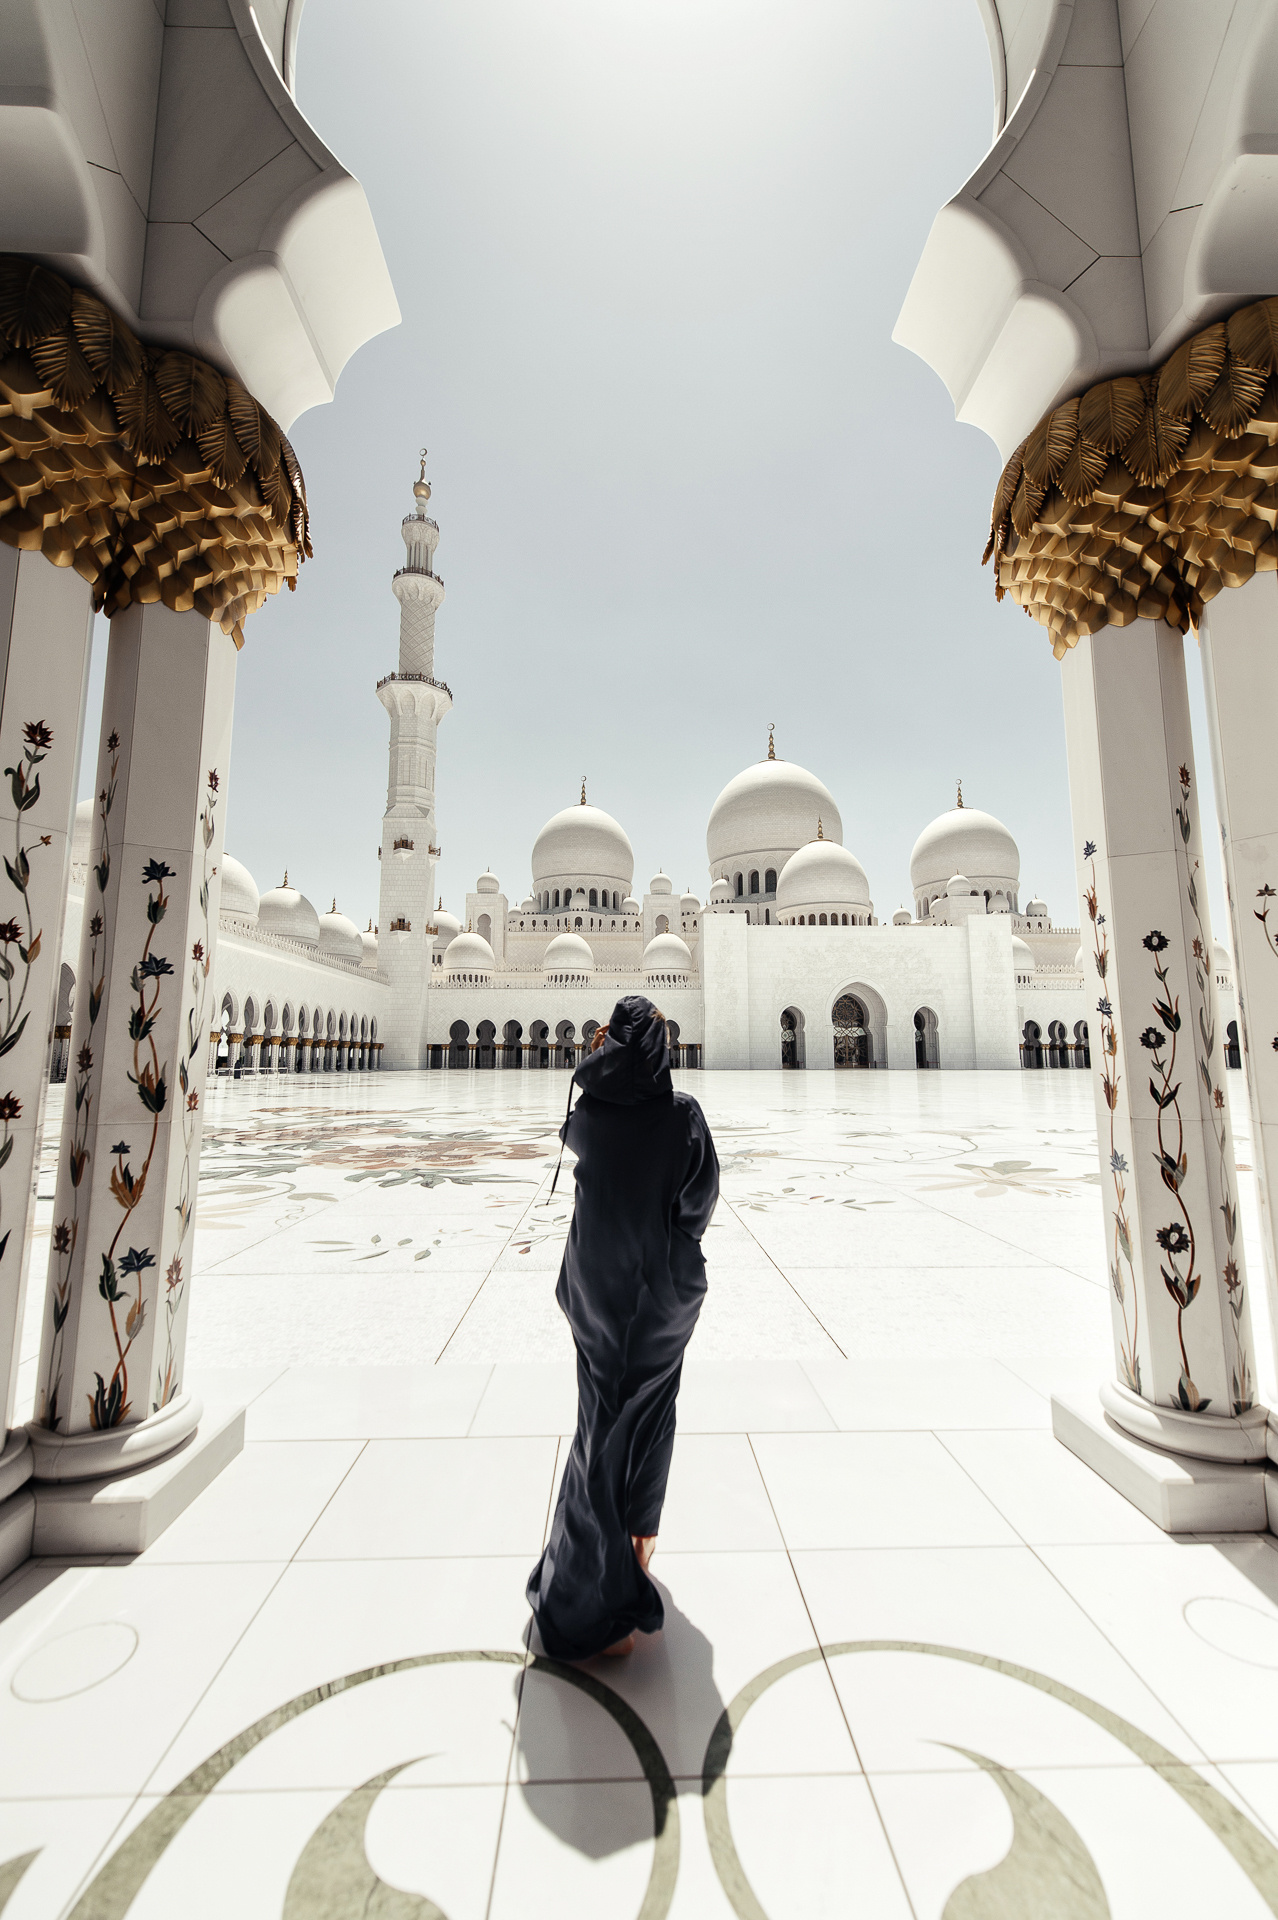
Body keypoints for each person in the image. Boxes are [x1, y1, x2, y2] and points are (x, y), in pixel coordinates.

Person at [527, 995, 719, 1661]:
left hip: (594, 1291)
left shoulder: (590, 1113)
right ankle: (604, 1595)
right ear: (661, 1046)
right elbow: (699, 1201)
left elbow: (582, 1141)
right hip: (660, 1297)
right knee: (648, 1421)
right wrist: (670, 1249)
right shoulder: (682, 1115)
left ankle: (599, 1577)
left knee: (600, 1425)